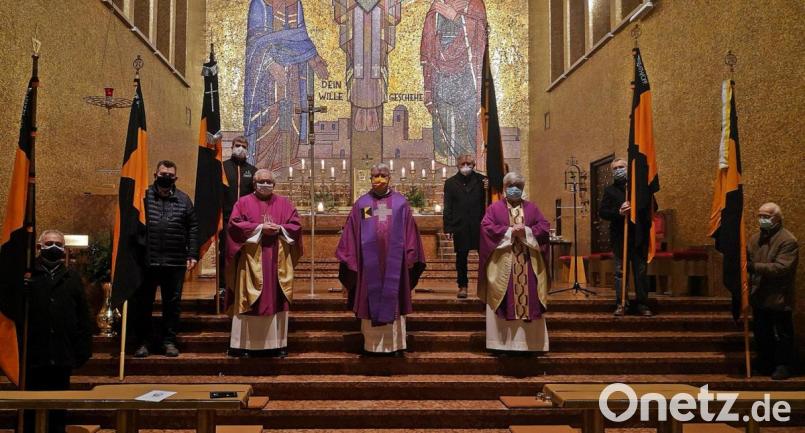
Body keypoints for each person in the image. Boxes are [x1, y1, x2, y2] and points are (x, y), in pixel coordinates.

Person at [336, 163, 426, 355]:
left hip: (396, 265)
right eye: (375, 176)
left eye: (382, 176)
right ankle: (372, 346)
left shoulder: (400, 203)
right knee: (371, 299)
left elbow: (410, 233)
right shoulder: (363, 204)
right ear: (370, 179)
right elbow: (352, 232)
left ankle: (395, 346)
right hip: (369, 267)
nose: (379, 180)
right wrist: (351, 259)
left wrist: (410, 258)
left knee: (394, 300)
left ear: (389, 178)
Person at [225, 169, 302, 358]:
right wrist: (260, 228)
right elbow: (234, 225)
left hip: (277, 262)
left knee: (276, 300)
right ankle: (243, 345)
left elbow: (296, 225)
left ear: (274, 184)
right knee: (250, 300)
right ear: (254, 183)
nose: (265, 185)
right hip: (251, 262)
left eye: (269, 182)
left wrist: (280, 228)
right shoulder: (242, 203)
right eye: (262, 181)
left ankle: (276, 344)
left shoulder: (284, 203)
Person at [24, 230, 92, 433]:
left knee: (58, 408)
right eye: (49, 243)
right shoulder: (28, 276)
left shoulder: (72, 277)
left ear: (64, 249)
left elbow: (83, 316)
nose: (53, 247)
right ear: (39, 247)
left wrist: (82, 350)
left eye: (57, 244)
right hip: (33, 354)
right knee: (31, 408)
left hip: (62, 354)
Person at [132, 160, 199, 358]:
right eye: (163, 174)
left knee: (172, 305)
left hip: (175, 261)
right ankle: (143, 342)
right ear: (155, 175)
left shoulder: (184, 200)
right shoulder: (142, 198)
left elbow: (193, 228)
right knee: (144, 304)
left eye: (170, 176)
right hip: (147, 261)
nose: (166, 178)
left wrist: (192, 254)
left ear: (175, 178)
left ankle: (169, 341)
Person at [478, 172, 550, 354]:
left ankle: (529, 345)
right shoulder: (494, 209)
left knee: (530, 300)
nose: (514, 189)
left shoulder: (532, 209)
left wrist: (525, 231)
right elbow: (486, 228)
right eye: (511, 185)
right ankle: (502, 345)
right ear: (504, 188)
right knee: (504, 300)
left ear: (523, 189)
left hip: (528, 263)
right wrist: (510, 231)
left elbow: (544, 227)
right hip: (503, 264)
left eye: (518, 186)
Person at [420, 0, 487, 162]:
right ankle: (447, 162)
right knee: (443, 116)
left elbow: (483, 35)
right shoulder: (437, 6)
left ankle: (473, 163)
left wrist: (456, 17)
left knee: (468, 120)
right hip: (440, 76)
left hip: (466, 75)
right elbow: (428, 44)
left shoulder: (474, 4)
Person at [748, 202, 799, 380]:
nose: (762, 220)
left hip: (779, 297)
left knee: (782, 334)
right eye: (760, 216)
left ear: (777, 218)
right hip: (759, 295)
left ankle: (783, 365)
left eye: (766, 216)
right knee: (762, 333)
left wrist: (754, 267)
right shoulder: (755, 239)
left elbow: (781, 268)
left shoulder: (788, 240)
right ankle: (765, 362)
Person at [598, 157, 652, 316]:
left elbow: (653, 206)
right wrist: (619, 212)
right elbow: (603, 212)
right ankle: (622, 304)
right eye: (615, 168)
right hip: (620, 237)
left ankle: (643, 304)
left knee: (640, 272)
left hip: (638, 236)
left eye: (621, 167)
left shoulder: (638, 188)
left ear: (627, 169)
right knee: (620, 272)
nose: (618, 170)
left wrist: (636, 206)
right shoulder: (610, 190)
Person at [443, 154, 487, 298]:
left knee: (485, 257)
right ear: (457, 165)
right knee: (461, 258)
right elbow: (448, 206)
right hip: (460, 225)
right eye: (463, 163)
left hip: (479, 224)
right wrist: (448, 227)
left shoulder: (482, 181)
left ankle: (486, 285)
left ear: (474, 165)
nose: (466, 166)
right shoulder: (450, 183)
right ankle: (462, 286)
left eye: (468, 163)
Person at [220, 136, 257, 296]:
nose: (240, 148)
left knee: (244, 252)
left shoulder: (252, 170)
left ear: (247, 149)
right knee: (225, 252)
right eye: (237, 145)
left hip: (245, 221)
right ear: (232, 147)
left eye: (243, 146)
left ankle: (244, 284)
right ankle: (223, 286)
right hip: (226, 219)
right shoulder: (222, 168)